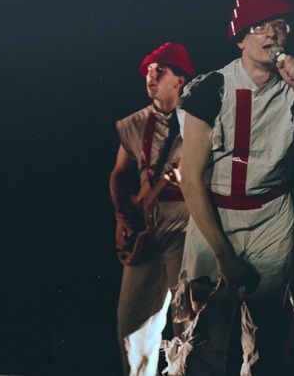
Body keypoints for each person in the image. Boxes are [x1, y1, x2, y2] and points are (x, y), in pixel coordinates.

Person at [165, 0, 294, 375]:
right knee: (203, 332)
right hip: (217, 213)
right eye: (261, 25)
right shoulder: (211, 88)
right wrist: (223, 254)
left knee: (268, 335)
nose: (273, 33)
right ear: (240, 39)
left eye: (281, 25)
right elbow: (191, 179)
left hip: (271, 216)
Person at [110, 42, 195, 375]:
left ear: (180, 80)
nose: (151, 75)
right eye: (149, 70)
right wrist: (121, 211)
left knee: (188, 322)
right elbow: (119, 174)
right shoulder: (134, 123)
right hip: (145, 230)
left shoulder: (199, 121)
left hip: (186, 227)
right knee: (131, 324)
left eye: (160, 70)